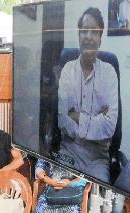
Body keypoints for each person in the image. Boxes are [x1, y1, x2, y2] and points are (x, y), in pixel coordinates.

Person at [58, 7, 118, 183]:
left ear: (100, 38)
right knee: (57, 197)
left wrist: (76, 116)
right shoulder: (68, 70)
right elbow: (62, 119)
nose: (88, 36)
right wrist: (95, 120)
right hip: (68, 152)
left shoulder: (109, 73)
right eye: (84, 31)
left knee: (95, 203)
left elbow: (109, 126)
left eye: (94, 32)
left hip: (97, 159)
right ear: (79, 36)